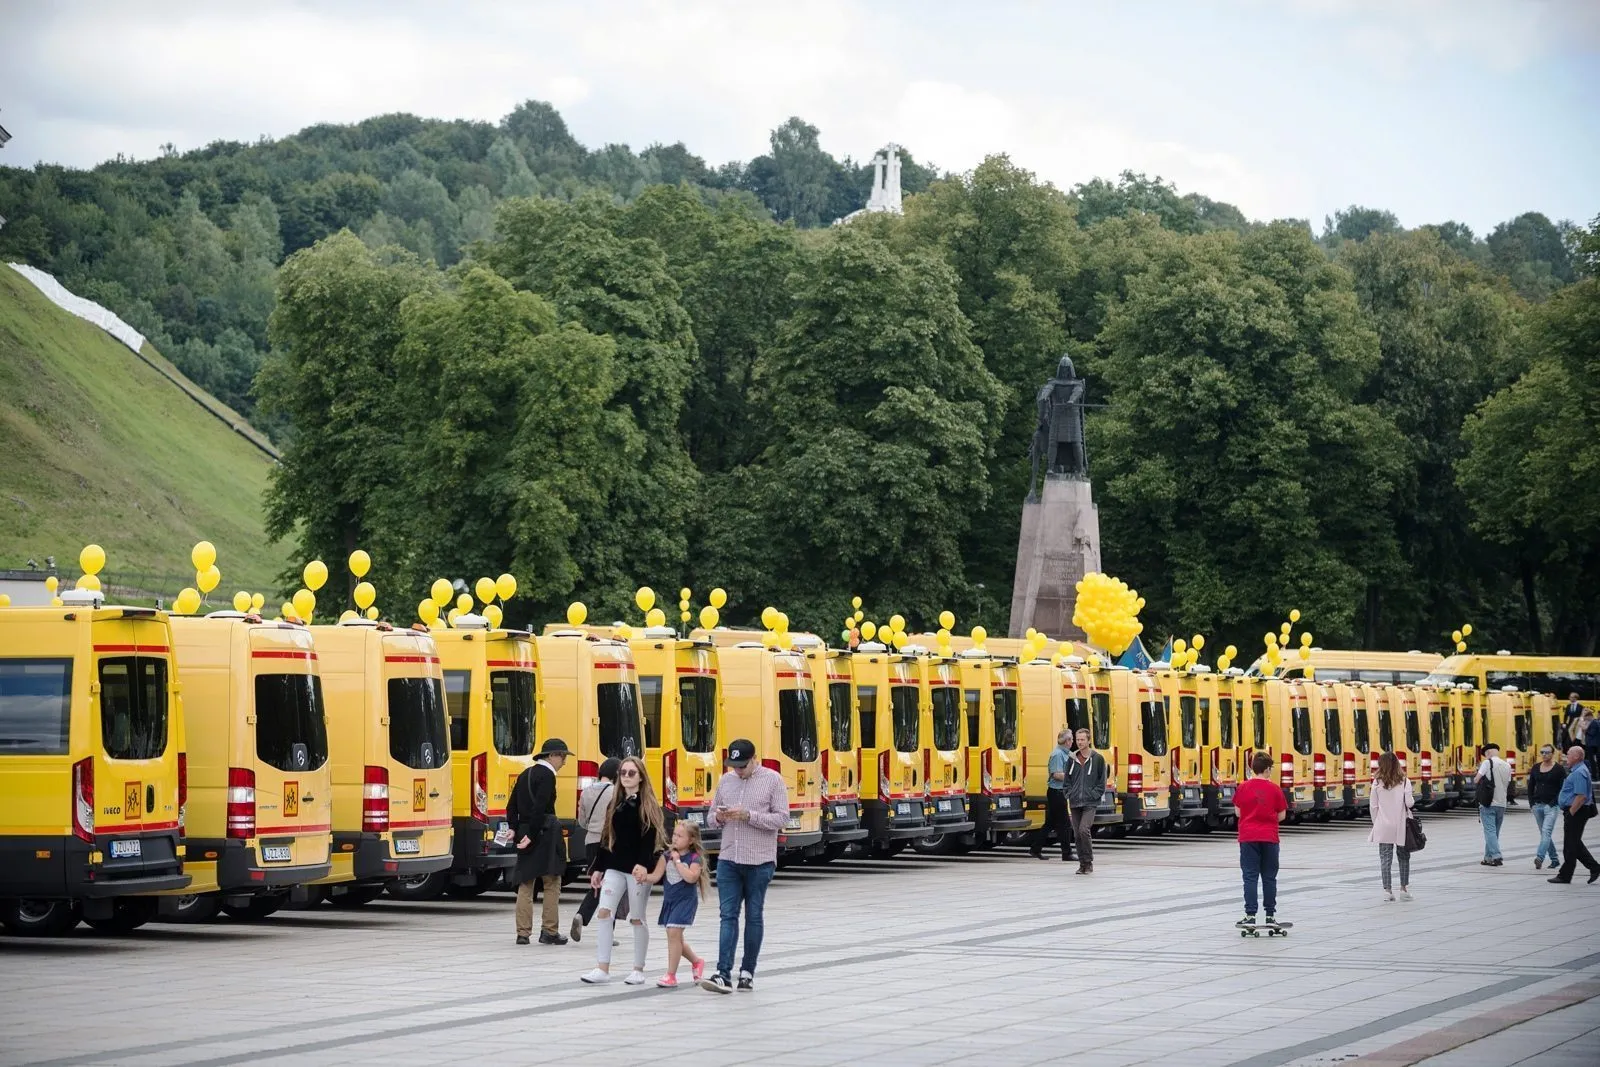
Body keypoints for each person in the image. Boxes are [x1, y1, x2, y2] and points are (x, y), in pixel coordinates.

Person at [700, 738, 790, 994]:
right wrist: (719, 817)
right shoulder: (725, 781)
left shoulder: (773, 780)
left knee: (753, 915)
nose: (738, 771)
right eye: (734, 765)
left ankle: (747, 971)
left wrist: (749, 816)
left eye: (742, 765)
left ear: (754, 759)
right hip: (729, 857)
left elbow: (782, 817)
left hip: (759, 860)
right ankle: (722, 973)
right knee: (727, 915)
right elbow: (710, 817)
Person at [580, 756, 666, 985]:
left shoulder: (646, 805)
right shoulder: (614, 802)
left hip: (637, 869)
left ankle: (638, 969)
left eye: (631, 773)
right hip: (614, 867)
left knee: (637, 918)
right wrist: (598, 868)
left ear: (641, 777)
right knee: (604, 911)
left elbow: (649, 839)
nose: (626, 777)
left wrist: (643, 864)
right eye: (623, 773)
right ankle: (602, 967)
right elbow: (607, 837)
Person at [507, 738, 571, 946]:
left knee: (526, 882)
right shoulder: (548, 776)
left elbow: (511, 805)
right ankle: (549, 931)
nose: (564, 762)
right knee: (552, 881)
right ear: (551, 755)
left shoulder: (526, 774)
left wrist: (514, 828)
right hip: (544, 831)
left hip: (525, 829)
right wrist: (532, 835)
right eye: (562, 757)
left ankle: (522, 933)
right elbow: (540, 807)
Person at [569, 757, 624, 943]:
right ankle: (605, 930)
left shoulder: (586, 792)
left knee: (597, 884)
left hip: (591, 841)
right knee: (613, 886)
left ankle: (582, 916)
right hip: (610, 842)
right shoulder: (616, 793)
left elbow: (582, 820)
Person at [1234, 751, 1288, 930]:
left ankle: (1250, 915)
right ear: (1267, 769)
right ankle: (1270, 915)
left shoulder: (1242, 787)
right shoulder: (1275, 789)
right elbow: (1281, 815)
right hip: (1270, 838)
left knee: (1250, 876)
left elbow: (1238, 813)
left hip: (1248, 837)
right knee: (1269, 877)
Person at [656, 819, 707, 988]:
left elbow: (691, 878)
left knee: (673, 932)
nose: (675, 839)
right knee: (675, 937)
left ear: (691, 840)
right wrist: (642, 877)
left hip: (685, 902)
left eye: (680, 836)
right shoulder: (666, 856)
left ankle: (671, 975)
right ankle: (697, 961)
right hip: (670, 901)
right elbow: (656, 876)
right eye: (674, 835)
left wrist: (677, 862)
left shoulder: (694, 858)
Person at [1548, 745, 1599, 885]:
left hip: (1577, 811)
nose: (1566, 757)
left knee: (1570, 845)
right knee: (1574, 843)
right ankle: (1594, 867)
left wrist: (1571, 812)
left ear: (1576, 757)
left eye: (1569, 754)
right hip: (1576, 811)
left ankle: (1565, 875)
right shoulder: (1578, 770)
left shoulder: (1579, 772)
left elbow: (1581, 796)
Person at [1368, 752, 1414, 902]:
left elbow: (1373, 806)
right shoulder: (1405, 781)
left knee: (1385, 858)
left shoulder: (1376, 783)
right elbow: (1409, 803)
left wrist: (1377, 823)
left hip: (1383, 824)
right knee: (1404, 857)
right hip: (1401, 825)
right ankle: (1403, 889)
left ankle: (1388, 891)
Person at [1063, 726, 1108, 874]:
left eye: (1083, 739)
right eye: (1078, 740)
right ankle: (1082, 864)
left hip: (1090, 802)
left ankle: (1088, 862)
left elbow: (1102, 781)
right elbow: (1067, 780)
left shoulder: (1098, 759)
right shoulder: (1071, 758)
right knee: (1076, 833)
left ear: (1089, 741)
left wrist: (1094, 794)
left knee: (1084, 830)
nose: (1080, 742)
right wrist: (1068, 793)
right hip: (1075, 801)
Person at [1029, 728, 1075, 862]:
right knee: (1065, 824)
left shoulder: (1068, 754)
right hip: (1056, 792)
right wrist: (1071, 777)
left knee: (1050, 823)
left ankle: (1035, 849)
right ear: (1066, 741)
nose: (1072, 741)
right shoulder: (1057, 755)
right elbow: (1056, 774)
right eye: (1071, 739)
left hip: (1061, 792)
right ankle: (1067, 853)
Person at [1528, 745, 1567, 871]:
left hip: (1552, 806)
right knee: (1545, 834)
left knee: (1546, 832)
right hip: (1537, 805)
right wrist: (1531, 803)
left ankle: (1539, 857)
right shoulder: (1535, 767)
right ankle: (1555, 859)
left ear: (1552, 754)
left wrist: (1553, 803)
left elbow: (1563, 789)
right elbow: (1530, 786)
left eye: (1547, 752)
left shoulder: (1559, 769)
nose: (1544, 754)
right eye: (1542, 752)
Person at [1474, 742, 1512, 866]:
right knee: (1494, 832)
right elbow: (1507, 783)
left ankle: (1496, 855)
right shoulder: (1507, 765)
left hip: (1488, 803)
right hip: (1502, 803)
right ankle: (1487, 858)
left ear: (1488, 752)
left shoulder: (1487, 763)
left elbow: (1476, 779)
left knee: (1489, 831)